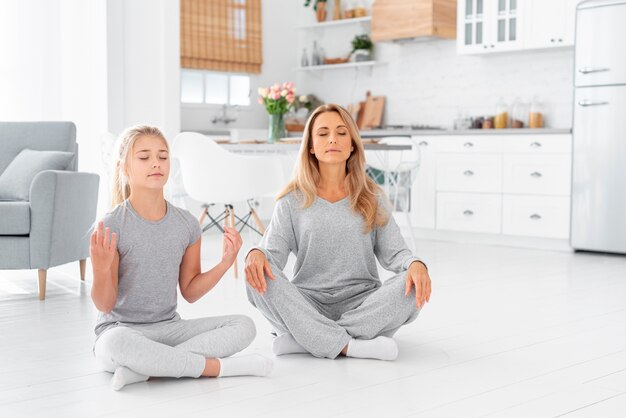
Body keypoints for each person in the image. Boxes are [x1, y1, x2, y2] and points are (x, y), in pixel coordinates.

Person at [91, 125, 272, 391]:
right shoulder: (112, 225)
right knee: (112, 344)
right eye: (144, 157)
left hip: (169, 331)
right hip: (122, 330)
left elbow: (190, 291)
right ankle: (220, 369)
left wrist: (225, 263)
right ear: (124, 168)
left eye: (163, 157)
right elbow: (105, 305)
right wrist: (103, 268)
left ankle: (144, 370)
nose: (156, 163)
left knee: (244, 325)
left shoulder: (186, 224)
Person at [245, 104, 432, 361]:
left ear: (352, 144)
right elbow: (271, 255)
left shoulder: (372, 196)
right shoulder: (290, 201)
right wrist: (255, 254)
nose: (332, 138)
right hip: (307, 303)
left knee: (410, 286)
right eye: (322, 133)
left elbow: (397, 253)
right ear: (311, 146)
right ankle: (351, 346)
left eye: (341, 132)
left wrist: (416, 264)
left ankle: (308, 340)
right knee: (256, 276)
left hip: (363, 304)